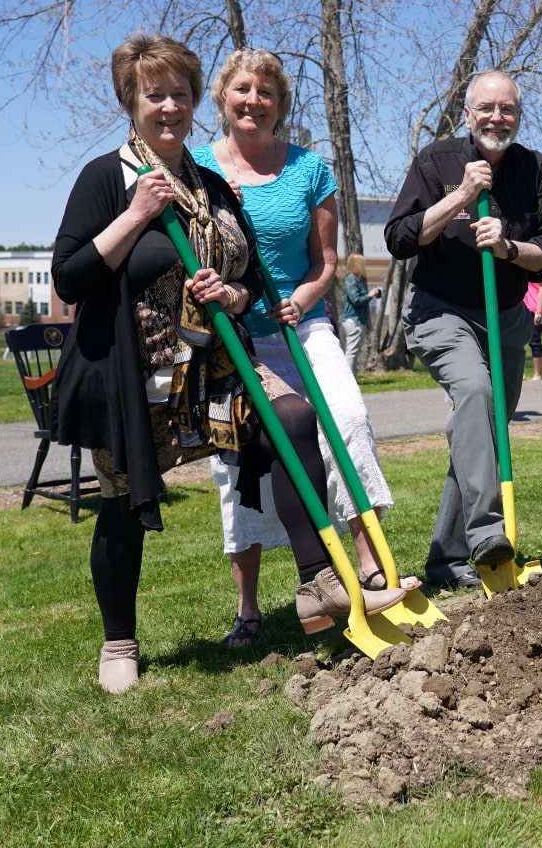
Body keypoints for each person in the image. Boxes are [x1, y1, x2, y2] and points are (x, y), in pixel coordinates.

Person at [51, 35, 408, 693]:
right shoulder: (109, 177)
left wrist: (232, 291)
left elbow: (249, 279)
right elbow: (70, 277)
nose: (169, 107)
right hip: (133, 369)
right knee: (123, 504)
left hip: (211, 362)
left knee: (293, 418)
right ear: (131, 101)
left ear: (193, 104)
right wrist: (135, 217)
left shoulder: (211, 184)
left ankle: (317, 585)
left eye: (179, 95)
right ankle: (119, 643)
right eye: (154, 94)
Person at [192, 47, 415, 652]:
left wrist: (305, 297)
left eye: (266, 91)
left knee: (346, 419)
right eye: (242, 89)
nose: (253, 100)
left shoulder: (308, 169)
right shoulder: (197, 169)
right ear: (222, 98)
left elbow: (327, 263)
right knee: (241, 463)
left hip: (303, 324)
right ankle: (248, 607)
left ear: (280, 103)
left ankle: (368, 564)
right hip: (234, 338)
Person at [385, 69, 542, 589]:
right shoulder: (437, 161)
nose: (496, 117)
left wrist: (509, 246)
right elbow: (400, 238)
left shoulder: (535, 169)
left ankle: (446, 561)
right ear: (468, 114)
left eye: (506, 108)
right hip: (440, 310)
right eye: (486, 108)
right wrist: (460, 196)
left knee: (483, 433)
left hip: (505, 316)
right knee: (474, 391)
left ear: (518, 115)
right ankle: (487, 532)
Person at [338, 253, 382, 371]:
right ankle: (349, 381)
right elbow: (356, 300)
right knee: (351, 352)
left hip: (357, 320)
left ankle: (351, 380)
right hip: (354, 320)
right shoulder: (351, 279)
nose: (364, 266)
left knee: (353, 352)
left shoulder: (356, 279)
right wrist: (370, 295)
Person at [525, 270, 542, 381]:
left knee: (534, 341)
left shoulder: (539, 267)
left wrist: (538, 312)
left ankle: (538, 374)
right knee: (520, 342)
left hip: (536, 310)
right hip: (525, 308)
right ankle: (522, 374)